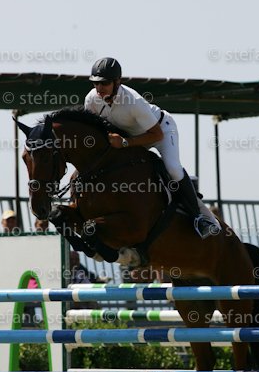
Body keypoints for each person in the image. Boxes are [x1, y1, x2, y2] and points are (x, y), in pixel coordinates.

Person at [84, 57, 220, 239]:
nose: (99, 88)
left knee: (173, 168)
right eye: (96, 83)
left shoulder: (133, 101)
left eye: (105, 83)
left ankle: (201, 218)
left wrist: (124, 143)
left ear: (117, 82)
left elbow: (157, 135)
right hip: (132, 137)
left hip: (161, 130)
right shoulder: (91, 100)